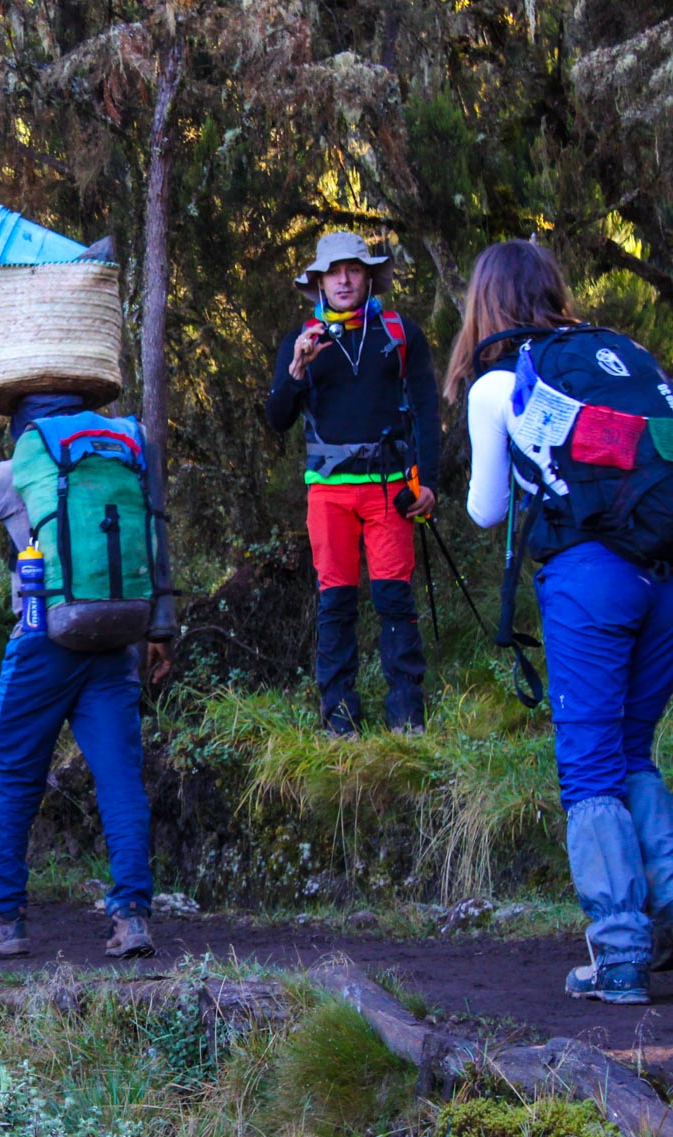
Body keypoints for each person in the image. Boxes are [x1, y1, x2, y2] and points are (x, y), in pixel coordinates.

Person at [448, 239, 673, 1005]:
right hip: (662, 574)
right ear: (554, 290)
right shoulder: (618, 355)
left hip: (588, 582)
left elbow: (485, 512)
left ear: (487, 302)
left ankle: (618, 957)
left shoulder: (500, 383)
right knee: (633, 752)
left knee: (588, 769)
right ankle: (666, 924)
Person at [0, 367, 171, 960]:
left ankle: (4, 917)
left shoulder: (21, 470)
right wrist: (161, 628)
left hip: (45, 636)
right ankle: (131, 918)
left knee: (14, 772)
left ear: (25, 425)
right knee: (121, 778)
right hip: (116, 633)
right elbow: (155, 541)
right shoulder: (120, 462)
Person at [266, 233, 441, 736]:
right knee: (335, 603)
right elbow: (277, 418)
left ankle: (407, 718)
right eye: (333, 271)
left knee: (394, 601)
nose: (344, 279)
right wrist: (296, 370)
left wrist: (428, 481)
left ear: (369, 277)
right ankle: (339, 719)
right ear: (318, 282)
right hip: (329, 493)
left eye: (354, 270)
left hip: (391, 490)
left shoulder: (400, 332)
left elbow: (428, 409)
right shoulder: (301, 341)